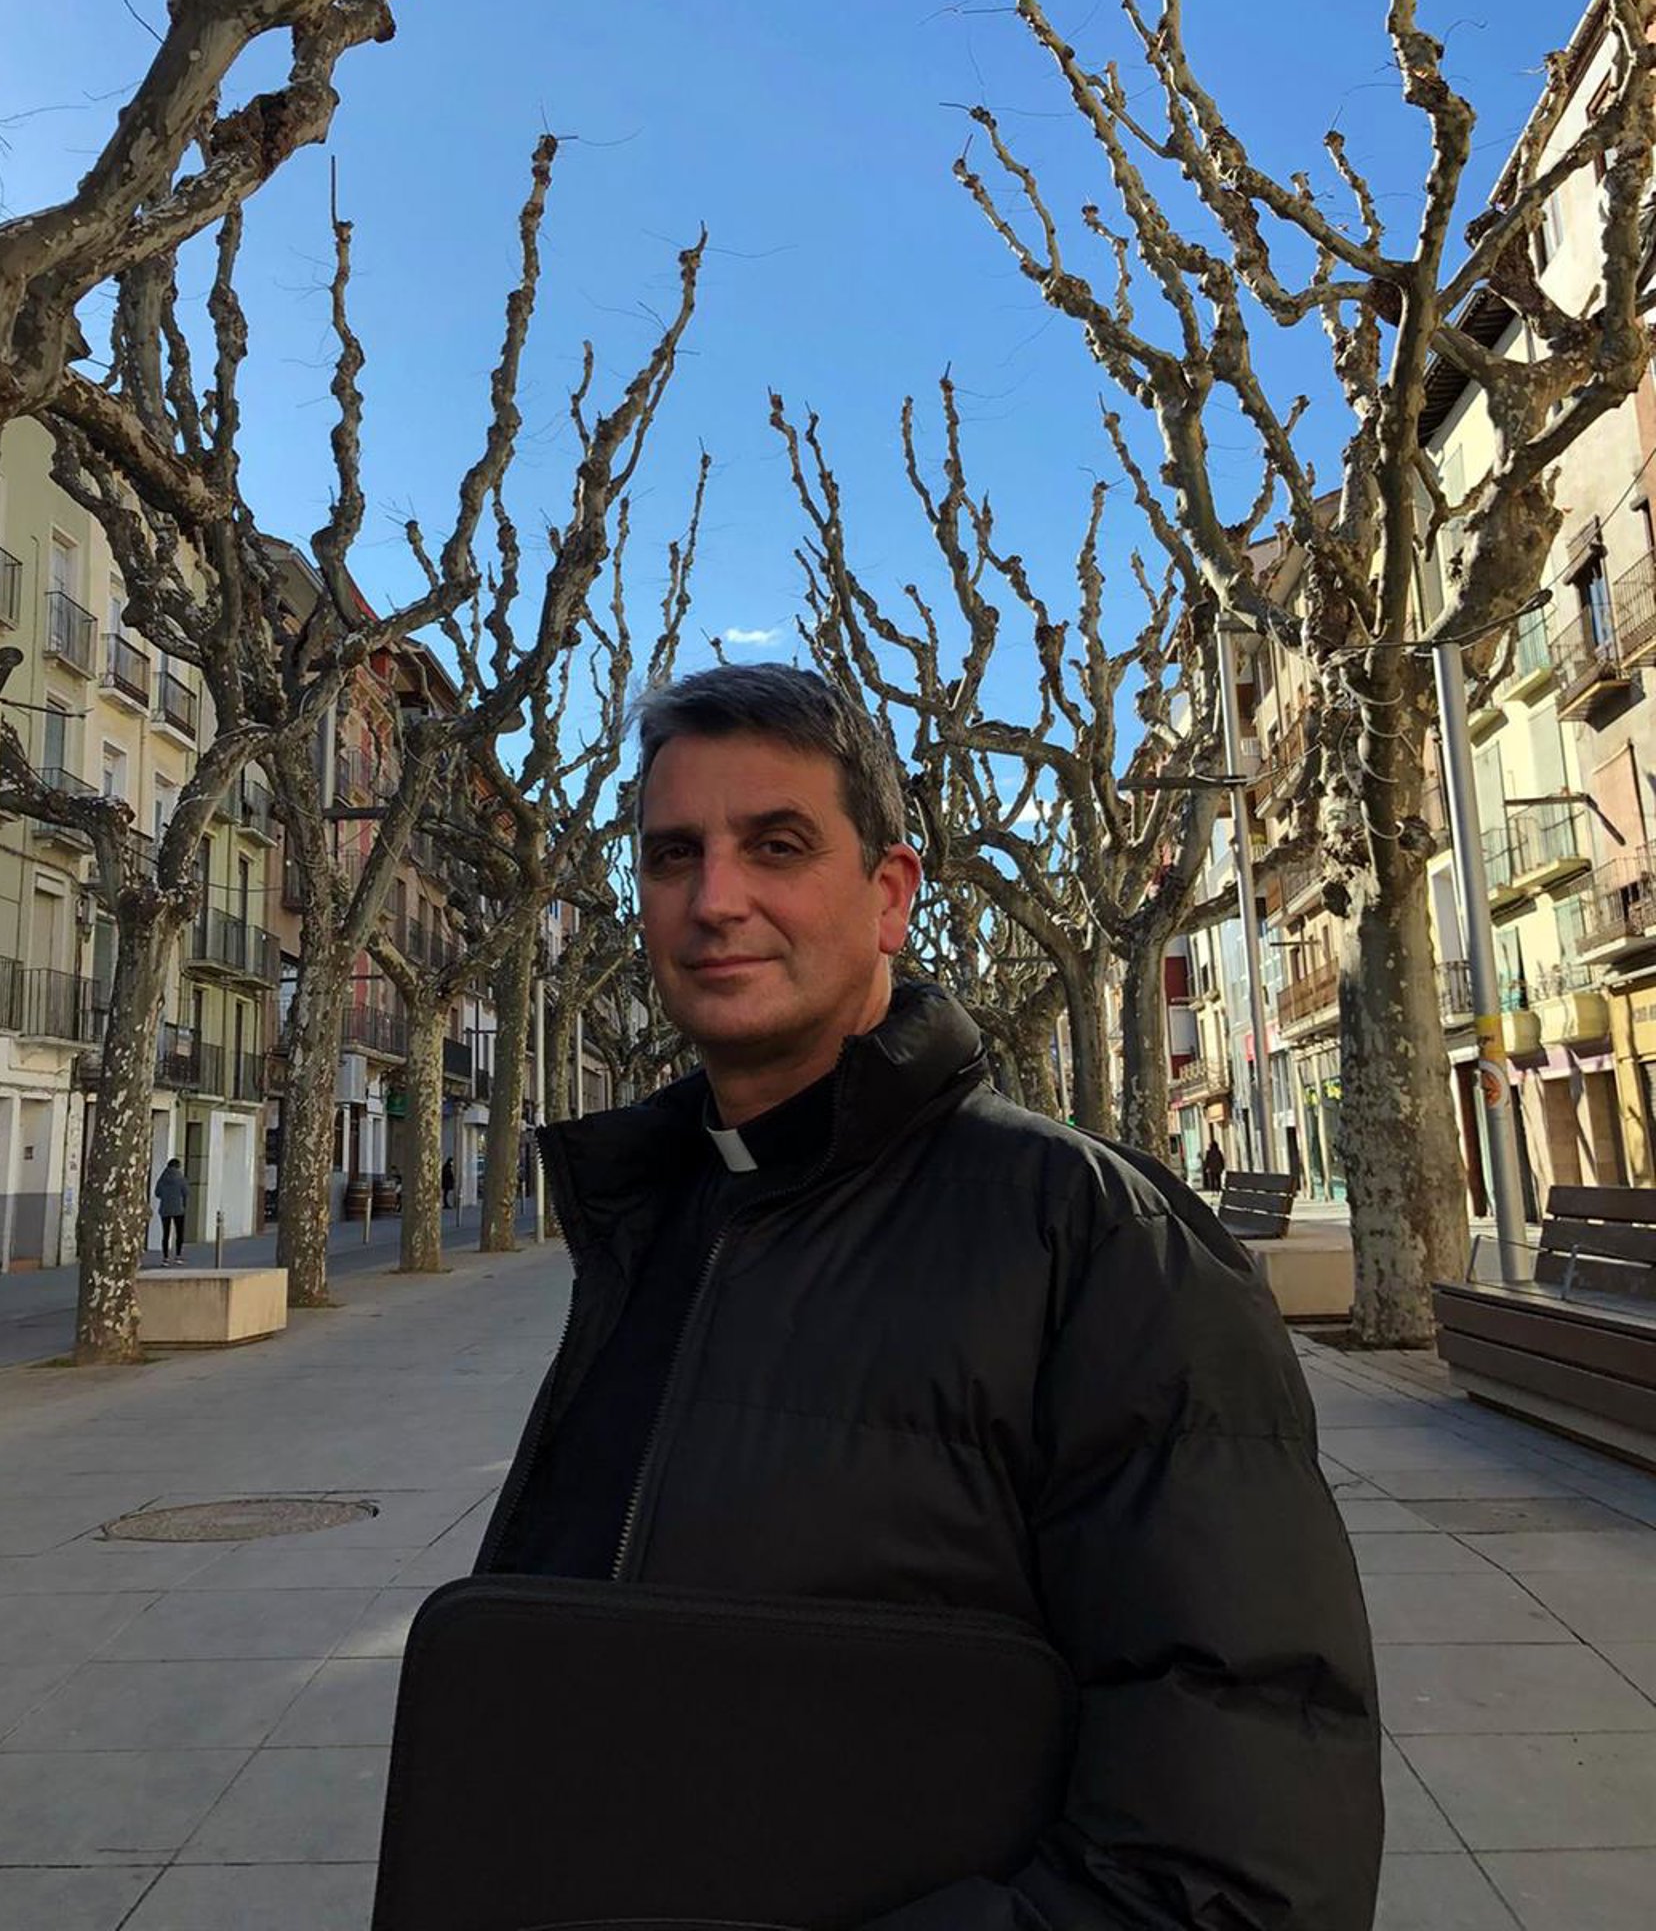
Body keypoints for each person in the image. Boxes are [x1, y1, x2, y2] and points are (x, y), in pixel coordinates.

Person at [478, 665, 1381, 1929]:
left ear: (891, 893)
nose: (714, 898)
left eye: (776, 845)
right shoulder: (658, 1224)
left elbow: (1238, 1854)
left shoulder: (1098, 1245)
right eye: (674, 853)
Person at [154, 1156, 188, 1265]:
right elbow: (186, 1192)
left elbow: (157, 1193)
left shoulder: (162, 1178)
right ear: (178, 1167)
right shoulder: (181, 1178)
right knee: (179, 1232)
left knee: (166, 1233)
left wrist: (166, 1196)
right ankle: (178, 1256)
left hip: (165, 1208)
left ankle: (165, 1258)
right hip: (178, 1208)